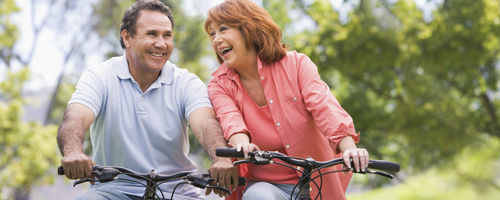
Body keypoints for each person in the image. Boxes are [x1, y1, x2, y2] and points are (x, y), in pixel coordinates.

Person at [56, 0, 237, 199]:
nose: (161, 43)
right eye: (151, 34)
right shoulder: (99, 77)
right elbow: (75, 117)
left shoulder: (186, 83)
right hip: (112, 191)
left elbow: (205, 124)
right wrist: (73, 152)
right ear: (127, 37)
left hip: (177, 193)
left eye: (167, 35)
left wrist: (221, 159)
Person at [204, 0, 370, 199]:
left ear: (248, 28)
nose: (216, 39)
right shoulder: (219, 84)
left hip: (316, 182)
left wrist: (350, 149)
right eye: (212, 33)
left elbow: (325, 108)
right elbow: (230, 118)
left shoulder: (296, 64)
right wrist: (242, 145)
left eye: (223, 29)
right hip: (265, 186)